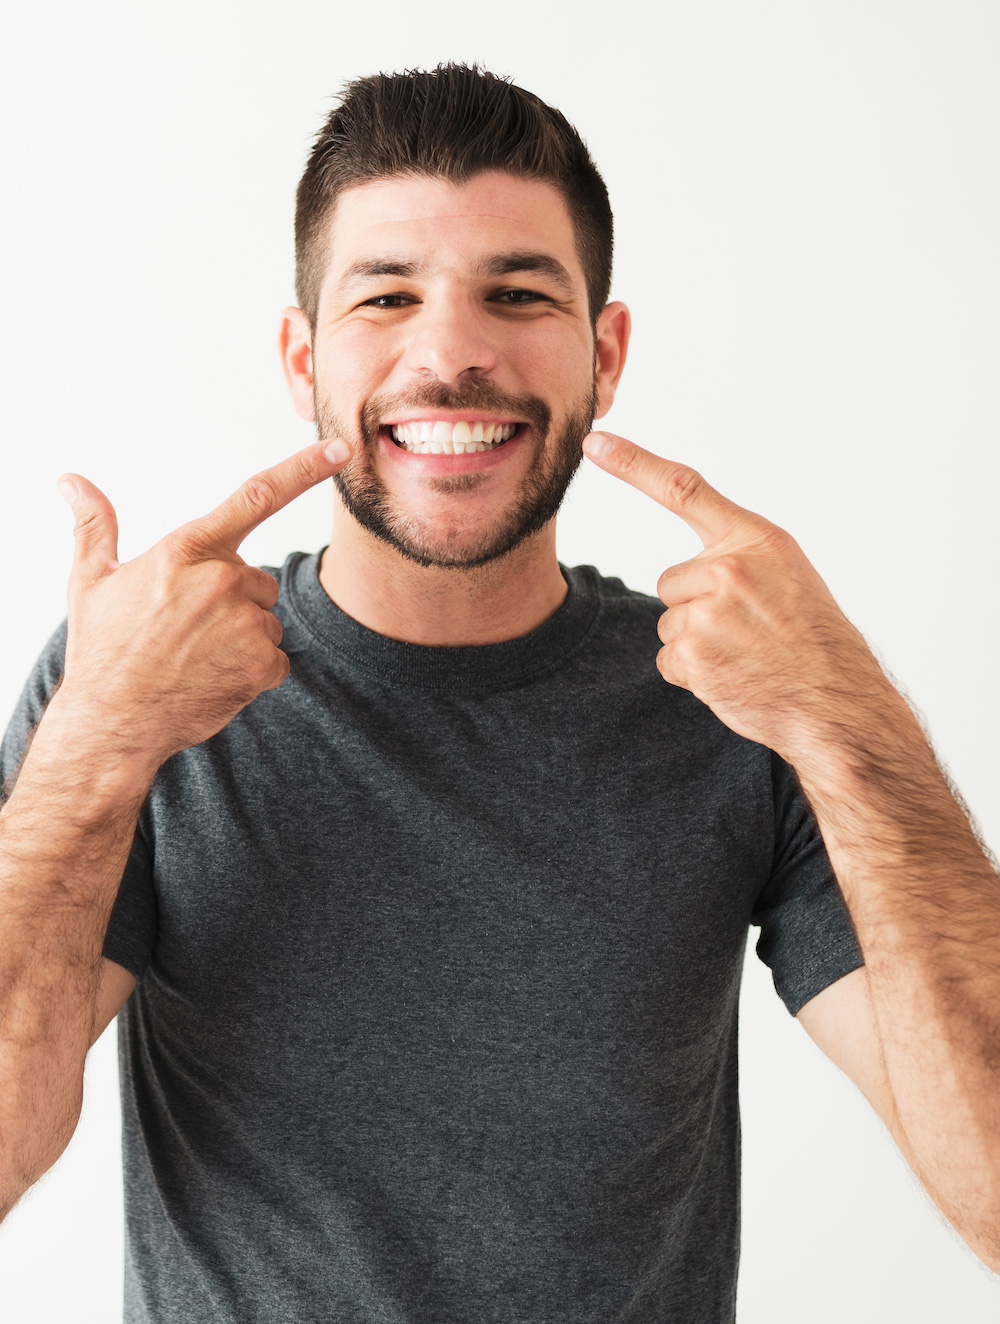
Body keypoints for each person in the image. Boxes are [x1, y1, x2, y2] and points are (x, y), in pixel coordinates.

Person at [1, 62, 998, 1323]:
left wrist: (843, 721)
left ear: (605, 351)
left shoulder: (734, 697)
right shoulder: (137, 680)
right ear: (303, 358)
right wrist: (100, 741)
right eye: (386, 296)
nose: (452, 355)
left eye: (517, 294)